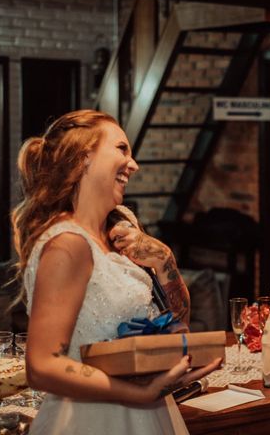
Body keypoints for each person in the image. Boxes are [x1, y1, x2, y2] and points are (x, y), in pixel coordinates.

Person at [11, 109, 222, 435]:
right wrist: (139, 393)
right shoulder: (68, 244)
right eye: (122, 149)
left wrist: (164, 258)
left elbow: (177, 324)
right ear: (83, 158)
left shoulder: (119, 234)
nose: (134, 164)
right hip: (93, 419)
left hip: (149, 414)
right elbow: (41, 366)